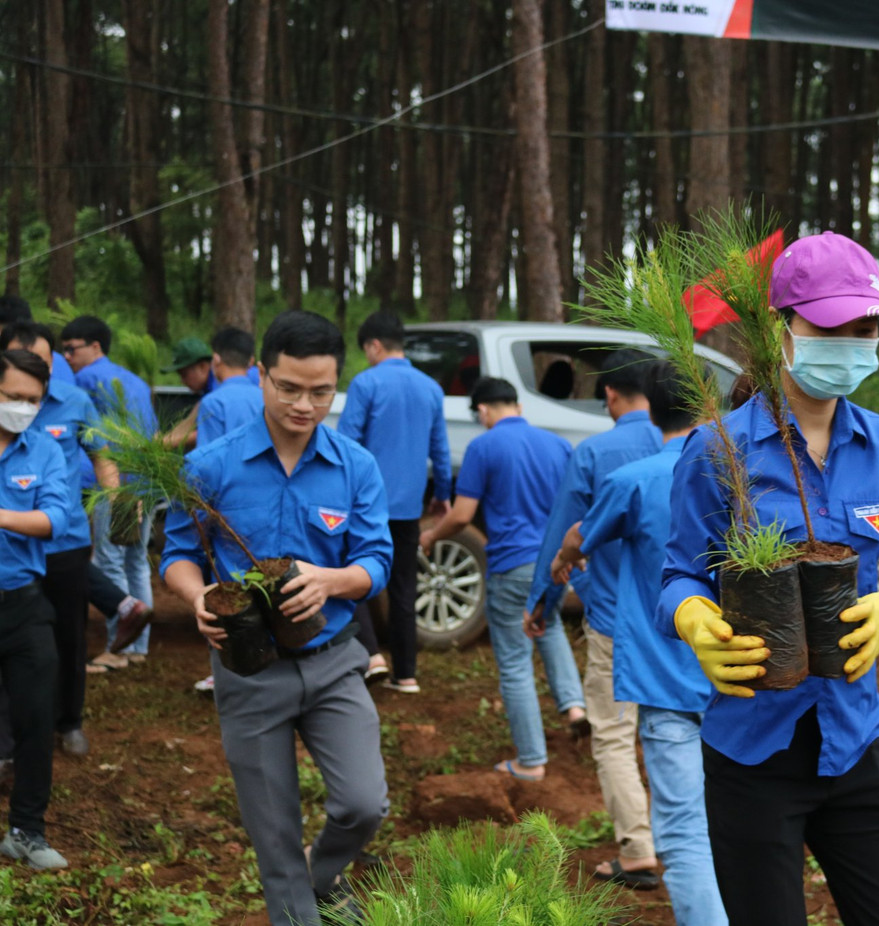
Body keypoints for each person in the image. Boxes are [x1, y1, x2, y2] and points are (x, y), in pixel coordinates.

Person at [659, 232, 879, 926]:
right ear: (781, 329)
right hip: (752, 750)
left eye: (864, 327)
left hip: (856, 740)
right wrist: (698, 624)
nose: (849, 341)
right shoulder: (718, 450)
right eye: (829, 326)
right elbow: (678, 574)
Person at [161, 310, 393, 925]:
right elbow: (179, 556)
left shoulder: (354, 467)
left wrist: (331, 580)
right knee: (275, 841)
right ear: (261, 375)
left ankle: (325, 871)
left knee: (365, 804)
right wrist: (198, 599)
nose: (305, 404)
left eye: (321, 391)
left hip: (334, 661)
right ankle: (299, 896)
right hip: (249, 672)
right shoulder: (211, 466)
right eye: (289, 388)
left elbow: (377, 559)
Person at [554, 361, 726, 924]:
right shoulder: (742, 476)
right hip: (741, 680)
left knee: (683, 830)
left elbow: (583, 534)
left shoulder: (637, 480)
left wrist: (563, 558)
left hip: (666, 681)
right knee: (737, 823)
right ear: (706, 406)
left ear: (646, 407)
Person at [527, 349, 663, 885]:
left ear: (609, 395)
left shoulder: (596, 453)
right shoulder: (690, 449)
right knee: (678, 733)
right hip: (685, 623)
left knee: (613, 735)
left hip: (614, 621)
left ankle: (637, 850)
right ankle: (699, 843)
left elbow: (564, 535)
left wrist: (542, 604)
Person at [419, 377, 585, 781]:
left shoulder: (483, 446)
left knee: (514, 662)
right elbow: (576, 505)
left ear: (483, 411)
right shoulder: (559, 445)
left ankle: (530, 760)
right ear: (518, 406)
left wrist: (430, 536)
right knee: (550, 631)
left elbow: (461, 515)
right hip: (553, 564)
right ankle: (575, 708)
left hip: (512, 566)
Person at [1, 321, 122, 757]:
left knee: (70, 633)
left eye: (43, 361)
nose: (34, 369)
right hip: (11, 550)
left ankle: (69, 720)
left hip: (65, 540)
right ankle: (11, 736)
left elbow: (100, 452)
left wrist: (116, 495)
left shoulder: (74, 402)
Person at [336, 311, 451, 693]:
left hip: (365, 504)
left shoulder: (366, 384)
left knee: (353, 576)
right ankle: (407, 674)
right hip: (407, 508)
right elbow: (440, 448)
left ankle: (372, 656)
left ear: (374, 345)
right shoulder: (431, 388)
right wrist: (443, 494)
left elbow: (347, 444)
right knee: (404, 586)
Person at [0, 349, 70, 870]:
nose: (22, 407)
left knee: (34, 716)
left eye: (32, 400)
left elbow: (56, 519)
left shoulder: (44, 452)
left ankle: (27, 830)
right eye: (12, 397)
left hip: (23, 603)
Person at [60, 316, 157, 671]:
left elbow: (90, 439)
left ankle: (117, 650)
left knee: (109, 561)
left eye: (71, 348)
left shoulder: (85, 379)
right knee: (136, 562)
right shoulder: (134, 380)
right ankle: (138, 648)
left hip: (115, 482)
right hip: (144, 481)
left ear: (95, 347)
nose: (66, 357)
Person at [188, 326, 265, 697]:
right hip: (261, 501)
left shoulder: (215, 403)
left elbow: (205, 463)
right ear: (252, 362)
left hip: (224, 507)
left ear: (216, 359)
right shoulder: (264, 394)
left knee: (219, 583)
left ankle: (225, 665)